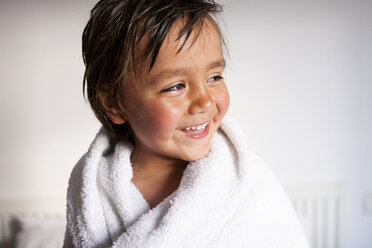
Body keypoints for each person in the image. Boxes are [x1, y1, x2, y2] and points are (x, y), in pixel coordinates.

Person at [63, 0, 309, 247]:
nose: (204, 102)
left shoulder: (250, 182)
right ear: (114, 103)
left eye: (214, 77)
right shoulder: (93, 191)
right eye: (175, 86)